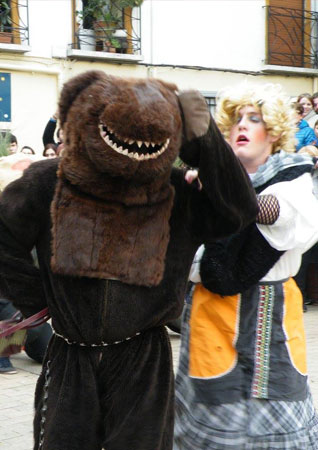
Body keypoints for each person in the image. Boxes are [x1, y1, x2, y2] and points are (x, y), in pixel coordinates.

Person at [0, 71, 258, 450]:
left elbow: (239, 208)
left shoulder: (175, 195)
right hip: (72, 354)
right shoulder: (52, 182)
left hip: (143, 359)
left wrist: (204, 139)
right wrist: (37, 300)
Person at [174, 82, 318, 449]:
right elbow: (187, 251)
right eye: (237, 119)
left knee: (275, 418)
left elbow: (282, 216)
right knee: (210, 414)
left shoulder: (293, 180)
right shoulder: (202, 183)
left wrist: (221, 189)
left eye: (253, 119)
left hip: (272, 316)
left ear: (272, 131)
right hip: (211, 313)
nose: (242, 126)